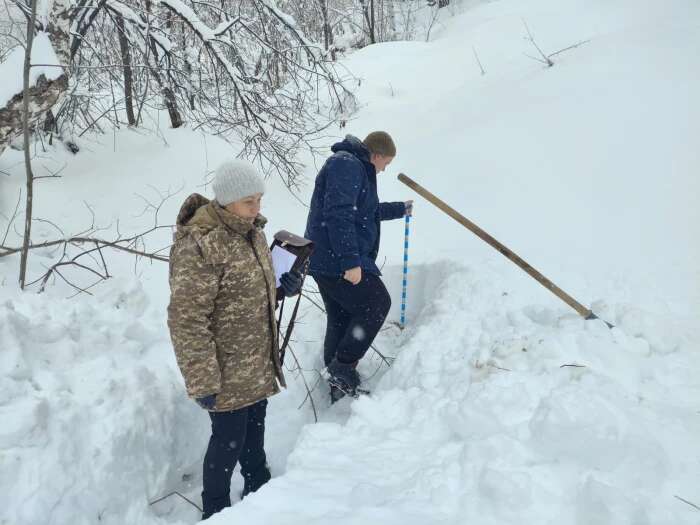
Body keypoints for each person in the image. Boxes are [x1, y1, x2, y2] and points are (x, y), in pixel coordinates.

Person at [167, 159, 302, 520]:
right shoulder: (200, 244)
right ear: (226, 200)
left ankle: (259, 485)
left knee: (254, 430)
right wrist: (202, 378)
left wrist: (279, 288)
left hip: (255, 360)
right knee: (227, 442)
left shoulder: (252, 232)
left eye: (259, 199)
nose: (257, 208)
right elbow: (186, 318)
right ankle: (215, 509)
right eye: (248, 201)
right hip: (223, 367)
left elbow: (245, 291)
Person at [304, 131, 412, 401]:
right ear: (376, 155)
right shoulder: (347, 165)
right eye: (386, 163)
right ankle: (342, 369)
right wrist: (350, 262)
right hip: (335, 260)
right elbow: (339, 213)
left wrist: (400, 209)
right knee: (376, 303)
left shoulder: (354, 167)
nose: (385, 169)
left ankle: (336, 381)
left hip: (327, 259)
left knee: (340, 317)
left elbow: (365, 212)